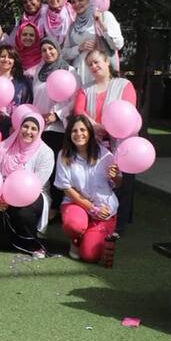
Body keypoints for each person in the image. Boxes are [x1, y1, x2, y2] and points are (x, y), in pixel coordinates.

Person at [72, 49, 137, 235]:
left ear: (107, 62)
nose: (93, 66)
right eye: (90, 64)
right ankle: (97, 219)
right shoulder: (86, 89)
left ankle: (119, 226)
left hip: (122, 143)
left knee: (122, 182)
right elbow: (78, 110)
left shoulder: (124, 85)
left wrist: (110, 127)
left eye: (96, 62)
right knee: (99, 180)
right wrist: (97, 127)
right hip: (96, 141)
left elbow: (128, 109)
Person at [55, 115, 121, 262]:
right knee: (74, 225)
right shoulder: (64, 155)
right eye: (74, 131)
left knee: (89, 256)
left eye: (83, 130)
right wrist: (91, 208)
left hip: (104, 208)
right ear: (69, 134)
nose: (79, 134)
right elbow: (66, 188)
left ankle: (97, 232)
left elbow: (118, 183)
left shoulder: (104, 154)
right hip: (77, 204)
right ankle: (76, 239)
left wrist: (115, 177)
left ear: (90, 132)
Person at [0, 111, 55, 258]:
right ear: (19, 127)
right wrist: (0, 196)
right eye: (25, 126)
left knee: (23, 211)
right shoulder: (4, 147)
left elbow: (37, 183)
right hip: (0, 193)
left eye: (33, 128)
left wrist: (10, 198)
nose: (28, 131)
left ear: (40, 131)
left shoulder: (46, 153)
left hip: (33, 194)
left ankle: (31, 244)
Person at [26, 37, 76, 217]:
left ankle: (55, 207)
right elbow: (35, 97)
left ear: (57, 50)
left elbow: (73, 99)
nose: (48, 53)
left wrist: (57, 114)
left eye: (51, 49)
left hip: (57, 128)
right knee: (39, 165)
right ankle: (38, 200)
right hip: (39, 128)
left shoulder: (69, 71)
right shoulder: (39, 71)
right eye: (44, 50)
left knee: (55, 166)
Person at [63, 0, 124, 86]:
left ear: (88, 0)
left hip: (101, 71)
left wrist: (101, 23)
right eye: (73, 2)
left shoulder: (104, 16)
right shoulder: (72, 26)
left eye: (80, 0)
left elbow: (117, 44)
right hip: (79, 74)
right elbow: (64, 53)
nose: (77, 4)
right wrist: (79, 48)